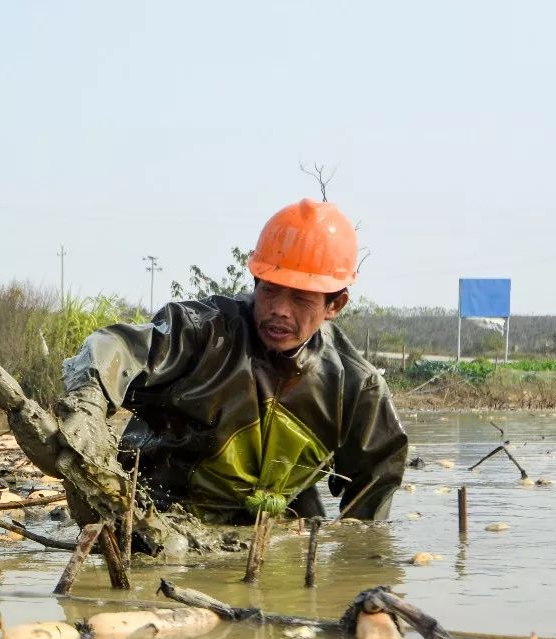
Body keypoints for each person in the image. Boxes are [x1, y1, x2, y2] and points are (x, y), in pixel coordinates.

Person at [58, 198, 408, 522]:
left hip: (268, 526)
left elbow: (374, 488)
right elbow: (114, 345)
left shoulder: (356, 386)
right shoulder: (203, 332)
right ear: (255, 280)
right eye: (269, 290)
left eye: (300, 298)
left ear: (335, 305)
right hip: (159, 513)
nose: (278, 310)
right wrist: (87, 402)